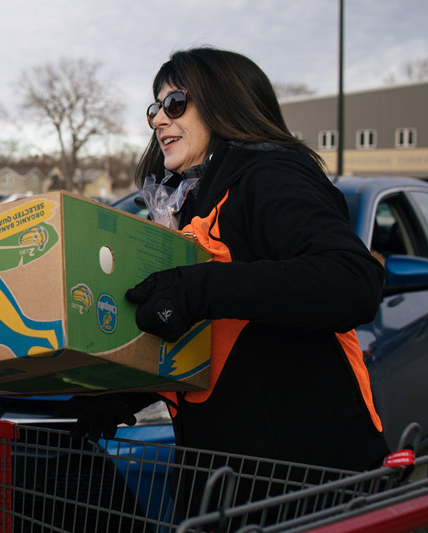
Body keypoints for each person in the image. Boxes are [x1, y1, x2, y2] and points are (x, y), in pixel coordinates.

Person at [73, 47, 390, 474]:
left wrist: (198, 287)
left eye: (174, 104)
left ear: (225, 101)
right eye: (155, 108)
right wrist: (123, 391)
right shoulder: (189, 203)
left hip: (306, 477)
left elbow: (352, 280)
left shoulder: (271, 175)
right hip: (220, 477)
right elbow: (215, 340)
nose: (158, 119)